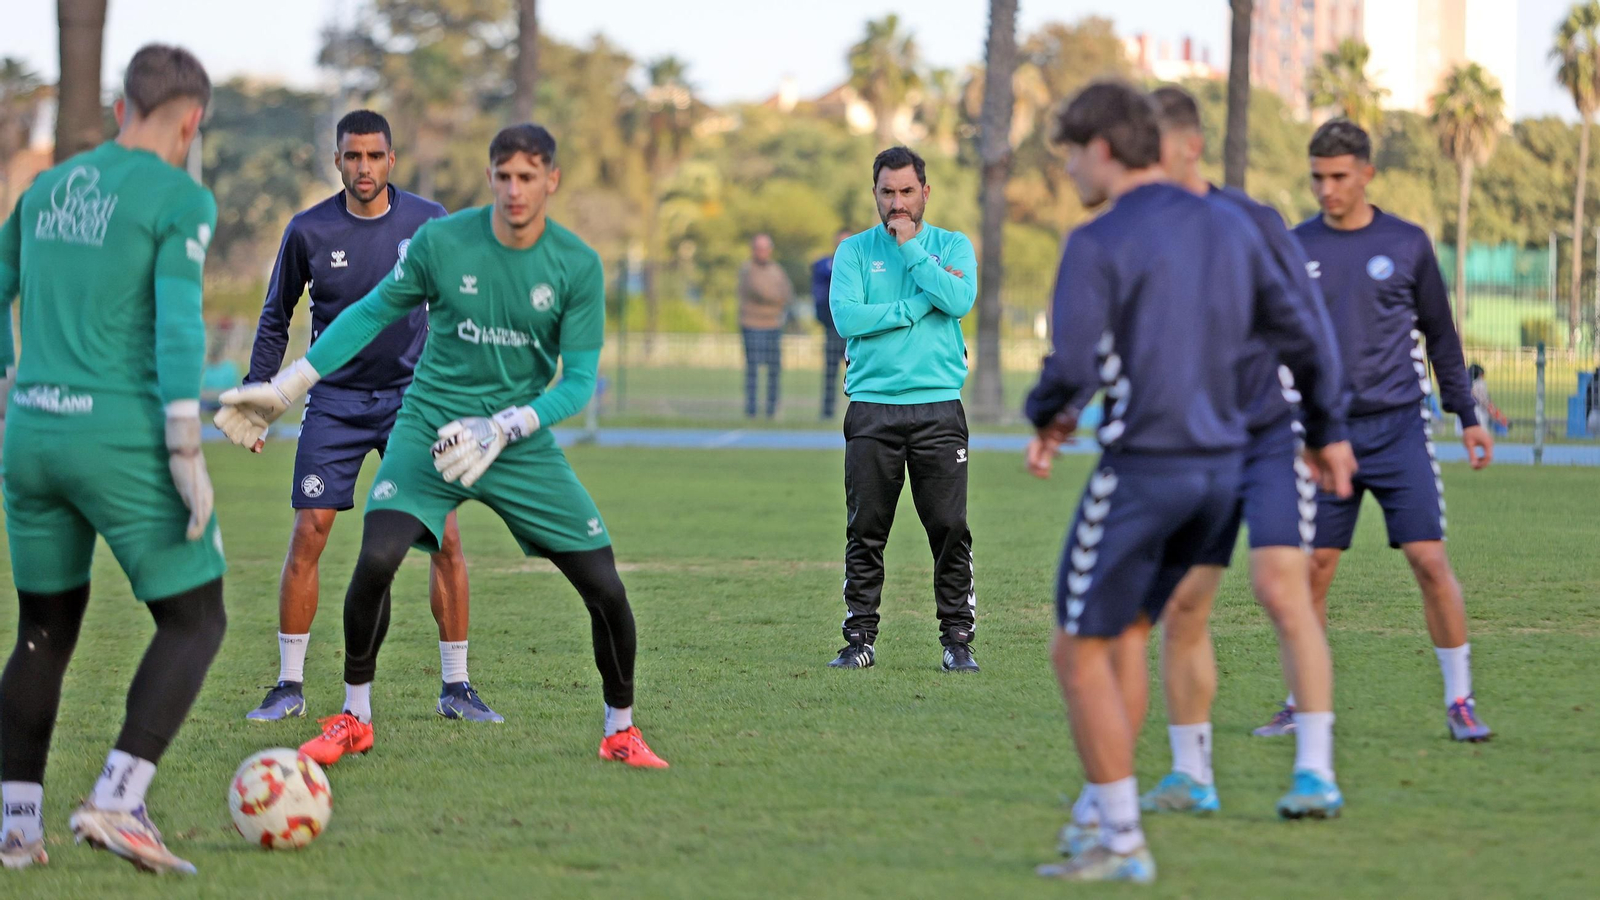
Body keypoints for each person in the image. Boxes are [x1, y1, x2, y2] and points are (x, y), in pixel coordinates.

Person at [215, 124, 668, 770]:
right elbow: (371, 312)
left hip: (517, 439)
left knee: (605, 586)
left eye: (528, 176)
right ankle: (354, 715)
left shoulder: (576, 265)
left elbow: (580, 384)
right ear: (489, 178)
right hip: (429, 427)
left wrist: (506, 426)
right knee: (375, 557)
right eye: (504, 176)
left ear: (551, 181)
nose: (515, 190)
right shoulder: (441, 242)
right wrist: (287, 386)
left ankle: (620, 729)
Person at [1024, 82, 1353, 884]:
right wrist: (1327, 430)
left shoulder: (1097, 240)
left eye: (1071, 152)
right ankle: (1104, 812)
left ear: (1103, 150)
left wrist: (1048, 413)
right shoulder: (1230, 226)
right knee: (1130, 631)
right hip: (1223, 469)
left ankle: (1121, 835)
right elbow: (1304, 335)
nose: (1069, 169)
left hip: (1147, 471)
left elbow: (1073, 363)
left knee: (1076, 650)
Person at [0, 44, 226, 875]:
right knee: (197, 618)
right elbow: (177, 324)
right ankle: (118, 801)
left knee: (43, 631)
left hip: (29, 436)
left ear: (125, 103)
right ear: (192, 119)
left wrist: (3, 388)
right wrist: (183, 440)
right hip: (118, 437)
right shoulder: (180, 196)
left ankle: (15, 831)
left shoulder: (47, 185)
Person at [1132, 86, 1346, 821]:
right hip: (1189, 446)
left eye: (1150, 153)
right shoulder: (1142, 229)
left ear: (1189, 146)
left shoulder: (1251, 222)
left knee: (1281, 589)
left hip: (1263, 435)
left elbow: (1307, 330)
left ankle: (1315, 772)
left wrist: (1324, 430)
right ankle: (1192, 777)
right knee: (1183, 605)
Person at [240, 110, 496, 724]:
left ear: (391, 160)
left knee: (445, 537)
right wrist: (256, 390)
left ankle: (456, 687)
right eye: (352, 157)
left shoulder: (427, 222)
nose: (363, 167)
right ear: (337, 162)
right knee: (310, 532)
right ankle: (289, 685)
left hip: (415, 399)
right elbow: (277, 316)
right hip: (334, 401)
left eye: (374, 156)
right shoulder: (307, 230)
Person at [1280, 119, 1494, 742]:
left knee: (1429, 561)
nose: (1327, 189)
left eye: (1339, 176)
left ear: (1367, 173)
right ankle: (1302, 703)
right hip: (1325, 436)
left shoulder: (1407, 242)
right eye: (1318, 177)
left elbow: (1441, 336)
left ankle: (1460, 701)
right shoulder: (1296, 247)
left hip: (1398, 429)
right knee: (1314, 568)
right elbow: (1279, 339)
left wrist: (1468, 415)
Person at [826, 146, 979, 673]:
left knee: (949, 529)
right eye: (887, 192)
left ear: (925, 193)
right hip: (872, 410)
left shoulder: (952, 245)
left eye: (906, 191)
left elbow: (959, 301)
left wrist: (913, 251)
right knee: (865, 530)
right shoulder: (853, 253)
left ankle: (957, 641)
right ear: (874, 193)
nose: (897, 203)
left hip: (938, 409)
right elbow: (847, 318)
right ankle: (859, 640)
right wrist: (915, 307)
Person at [738, 234, 792, 418]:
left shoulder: (777, 270)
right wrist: (775, 299)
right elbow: (759, 291)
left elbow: (786, 292)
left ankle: (772, 409)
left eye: (765, 248)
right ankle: (751, 410)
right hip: (752, 324)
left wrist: (776, 299)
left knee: (774, 370)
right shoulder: (747, 270)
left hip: (773, 325)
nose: (762, 252)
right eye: (758, 248)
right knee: (753, 369)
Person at [813, 227, 852, 419]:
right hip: (832, 329)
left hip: (855, 330)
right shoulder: (825, 265)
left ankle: (857, 411)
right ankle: (827, 411)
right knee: (830, 372)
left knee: (857, 373)